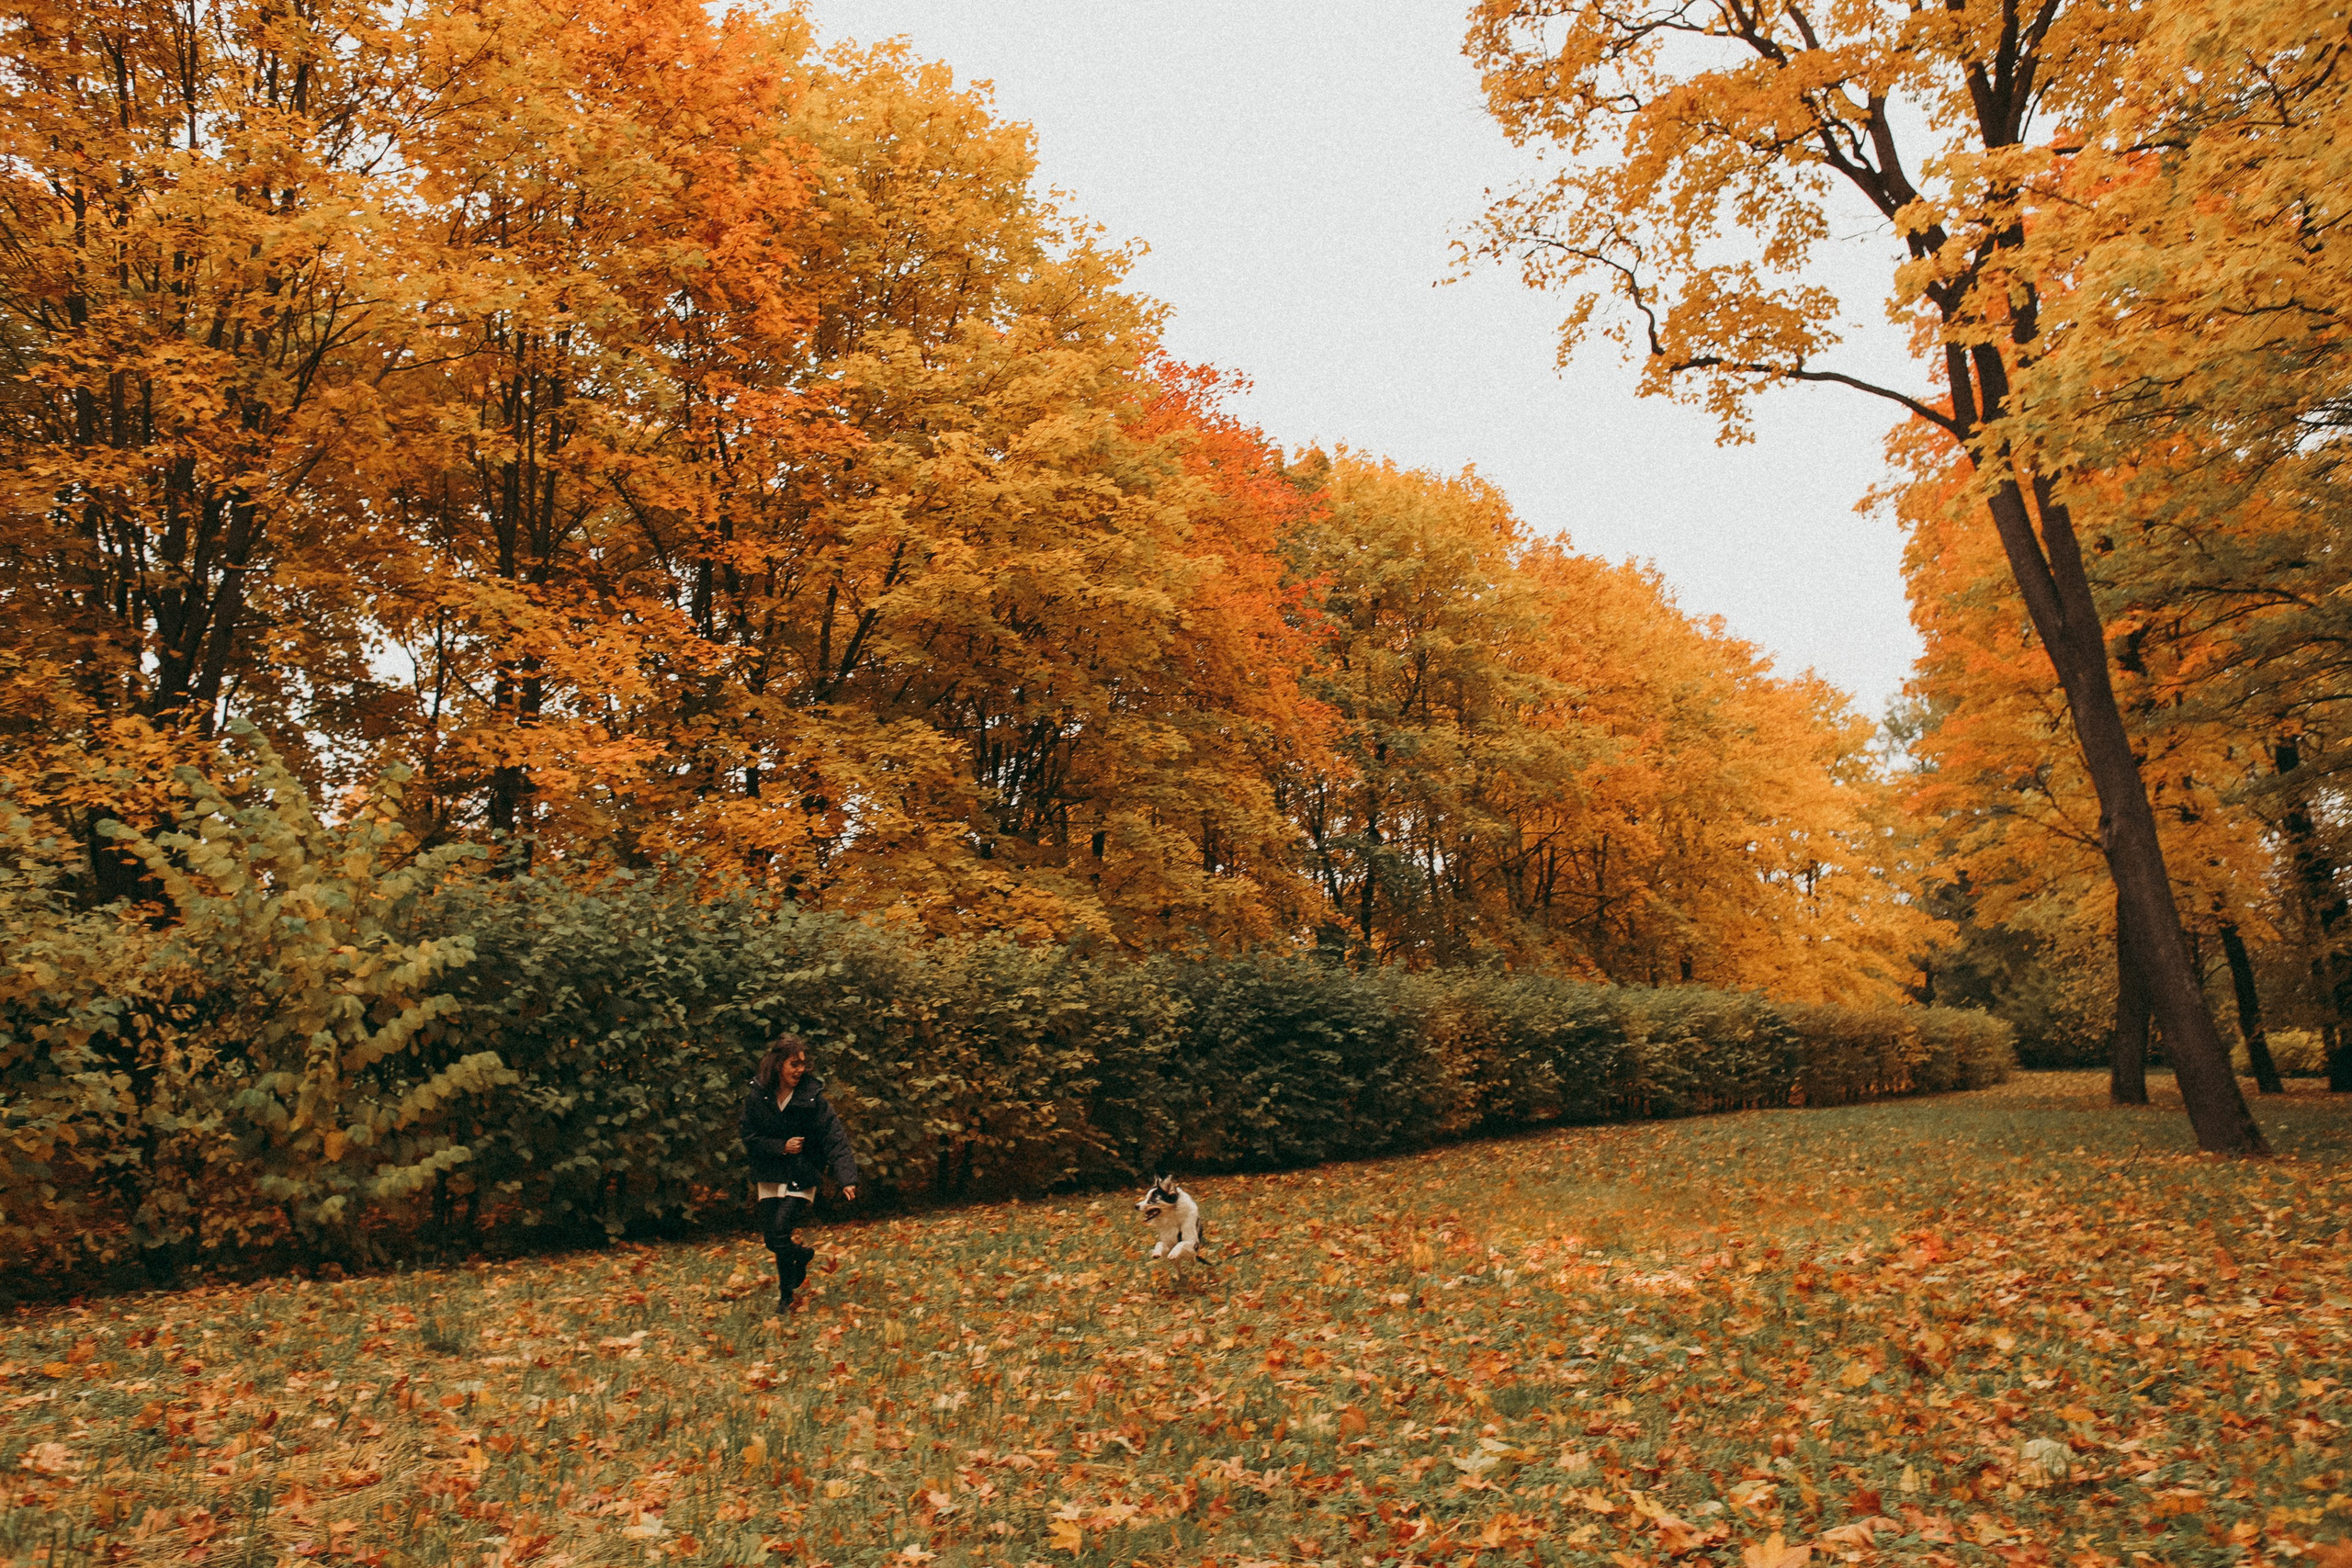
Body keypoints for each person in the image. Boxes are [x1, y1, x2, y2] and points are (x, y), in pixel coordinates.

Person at [739, 1032, 859, 1312]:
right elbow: (748, 1136)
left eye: (803, 1064)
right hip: (770, 1173)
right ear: (778, 1064)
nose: (800, 1070)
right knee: (772, 1239)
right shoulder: (758, 1095)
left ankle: (785, 1297)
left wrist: (846, 1178)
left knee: (781, 1229)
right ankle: (802, 1256)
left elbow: (834, 1137)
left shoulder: (812, 1097)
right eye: (794, 1064)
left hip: (802, 1173)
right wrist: (780, 1146)